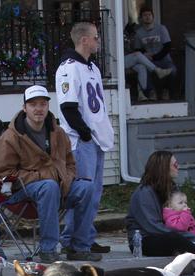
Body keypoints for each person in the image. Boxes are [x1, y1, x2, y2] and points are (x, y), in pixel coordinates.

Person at [0, 85, 96, 263]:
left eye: (42, 104)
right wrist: (43, 177)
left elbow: (70, 162)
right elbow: (3, 173)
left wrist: (67, 178)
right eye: (33, 105)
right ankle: (48, 249)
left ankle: (79, 247)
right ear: (25, 108)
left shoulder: (58, 132)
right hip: (20, 193)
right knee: (49, 186)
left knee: (87, 187)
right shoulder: (10, 137)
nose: (38, 109)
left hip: (58, 186)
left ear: (48, 107)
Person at [56, 21, 113, 260]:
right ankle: (74, 241)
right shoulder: (69, 68)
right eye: (96, 37)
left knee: (95, 194)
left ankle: (86, 237)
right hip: (82, 141)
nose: (99, 41)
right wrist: (85, 132)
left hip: (96, 138)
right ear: (84, 40)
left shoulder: (92, 68)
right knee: (82, 193)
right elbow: (68, 107)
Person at [133, 7, 177, 100]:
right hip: (149, 60)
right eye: (145, 15)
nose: (147, 17)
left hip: (164, 59)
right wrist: (145, 55)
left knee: (173, 70)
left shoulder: (161, 28)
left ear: (153, 17)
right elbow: (138, 49)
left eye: (149, 15)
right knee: (143, 69)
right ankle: (151, 92)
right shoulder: (139, 33)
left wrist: (155, 57)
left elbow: (167, 46)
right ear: (141, 18)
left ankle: (166, 91)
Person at [123, 22, 173, 102]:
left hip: (129, 61)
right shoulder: (122, 37)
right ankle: (158, 70)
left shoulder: (131, 39)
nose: (134, 35)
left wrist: (144, 55)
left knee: (142, 67)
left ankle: (141, 94)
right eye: (133, 33)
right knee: (138, 55)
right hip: (118, 62)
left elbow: (133, 51)